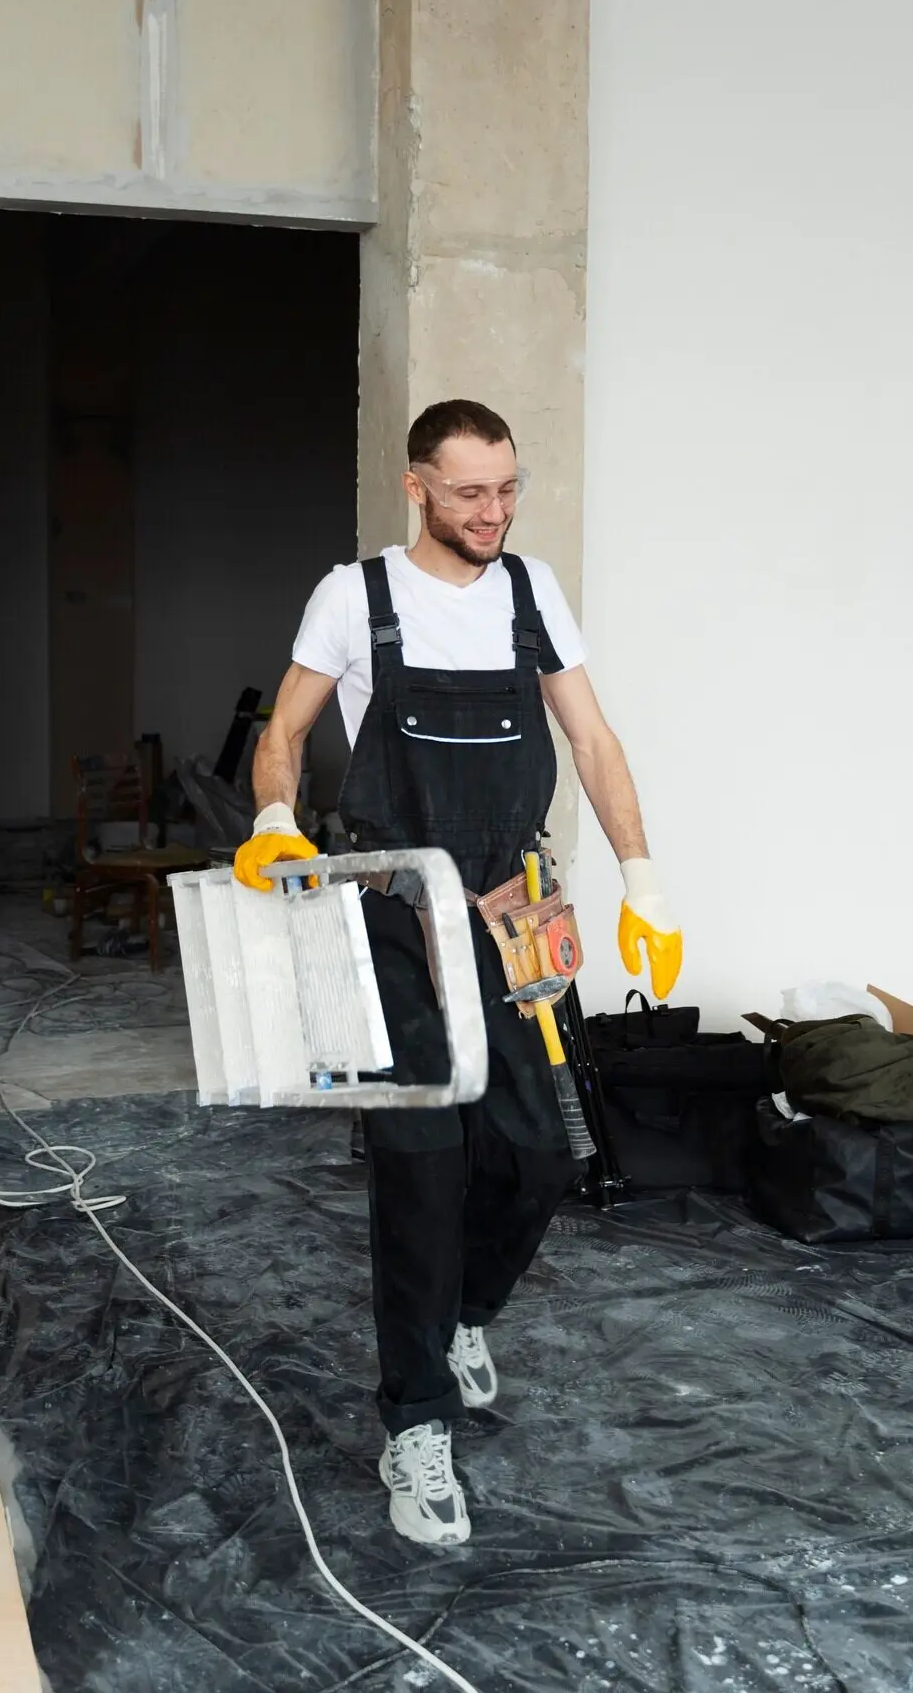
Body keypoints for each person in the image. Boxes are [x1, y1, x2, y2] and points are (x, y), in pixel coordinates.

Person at [233, 399, 682, 1547]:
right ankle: (416, 1421)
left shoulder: (531, 593)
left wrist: (640, 875)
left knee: (539, 1156)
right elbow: (282, 730)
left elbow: (592, 740)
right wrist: (277, 815)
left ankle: (464, 1311)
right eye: (470, 490)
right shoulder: (356, 597)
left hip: (512, 915)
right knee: (422, 1171)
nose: (494, 511)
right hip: (395, 919)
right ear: (416, 486)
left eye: (507, 487)